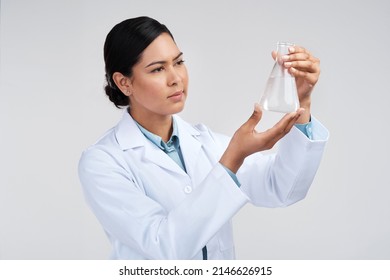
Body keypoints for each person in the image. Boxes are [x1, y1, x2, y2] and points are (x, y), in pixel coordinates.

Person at [78, 16, 328, 260]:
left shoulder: (206, 142)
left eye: (178, 62)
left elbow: (283, 188)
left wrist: (302, 101)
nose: (176, 78)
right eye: (157, 69)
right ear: (124, 83)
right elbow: (163, 247)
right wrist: (232, 160)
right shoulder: (103, 162)